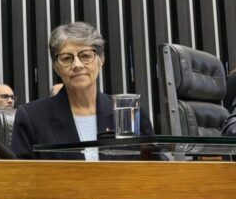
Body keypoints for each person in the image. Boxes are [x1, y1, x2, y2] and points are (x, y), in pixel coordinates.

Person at [10, 22, 154, 160]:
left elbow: (154, 166)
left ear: (101, 60)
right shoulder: (32, 117)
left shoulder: (130, 112)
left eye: (85, 56)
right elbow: (21, 176)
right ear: (56, 67)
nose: (77, 65)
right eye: (66, 58)